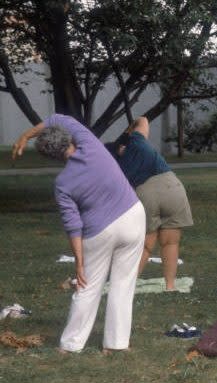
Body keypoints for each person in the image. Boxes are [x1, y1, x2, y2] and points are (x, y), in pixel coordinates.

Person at [12, 114, 145, 353]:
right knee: (123, 284)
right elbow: (58, 118)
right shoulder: (90, 144)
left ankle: (70, 345)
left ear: (49, 156)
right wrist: (26, 135)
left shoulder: (62, 183)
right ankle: (116, 345)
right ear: (69, 138)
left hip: (98, 232)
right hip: (133, 216)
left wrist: (79, 263)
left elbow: (73, 225)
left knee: (87, 287)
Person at [105, 117, 193, 291]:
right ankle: (170, 286)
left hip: (145, 192)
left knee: (145, 245)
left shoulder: (116, 167)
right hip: (173, 187)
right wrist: (128, 131)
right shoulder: (137, 141)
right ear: (122, 145)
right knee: (171, 242)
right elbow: (143, 120)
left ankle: (126, 286)